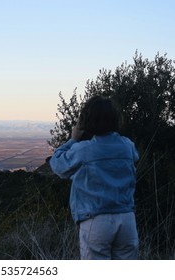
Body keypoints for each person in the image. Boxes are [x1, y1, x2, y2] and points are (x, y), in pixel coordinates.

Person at [49, 95, 139, 260]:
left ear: (88, 120)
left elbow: (57, 165)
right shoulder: (128, 146)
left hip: (96, 221)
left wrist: (72, 140)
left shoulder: (84, 150)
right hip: (127, 220)